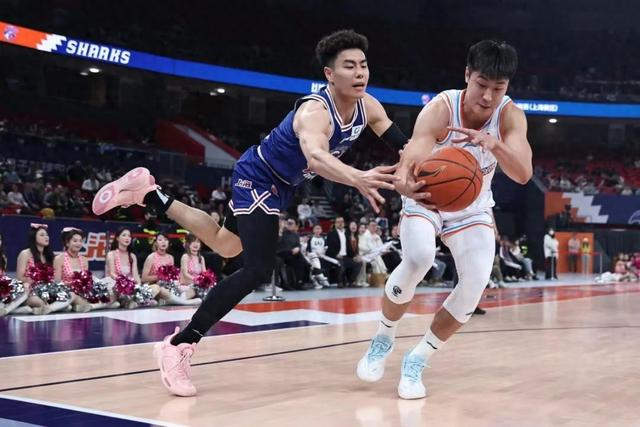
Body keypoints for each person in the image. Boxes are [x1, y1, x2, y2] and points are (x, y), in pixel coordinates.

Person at [93, 29, 407, 397]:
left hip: (281, 185)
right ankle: (180, 343)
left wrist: (428, 159)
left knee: (225, 244)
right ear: (329, 74)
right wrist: (358, 177)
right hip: (259, 178)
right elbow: (316, 157)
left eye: (363, 65)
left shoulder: (369, 106)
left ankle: (149, 194)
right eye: (349, 66)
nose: (359, 73)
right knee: (257, 267)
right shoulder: (314, 112)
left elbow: (401, 142)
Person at [356, 40, 533, 399]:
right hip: (428, 196)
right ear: (467, 75)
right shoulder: (440, 109)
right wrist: (405, 183)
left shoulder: (510, 116)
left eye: (498, 88)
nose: (488, 96)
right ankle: (384, 337)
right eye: (481, 84)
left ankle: (417, 359)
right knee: (419, 258)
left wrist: (494, 144)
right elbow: (409, 164)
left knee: (475, 284)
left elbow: (523, 174)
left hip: (473, 207)